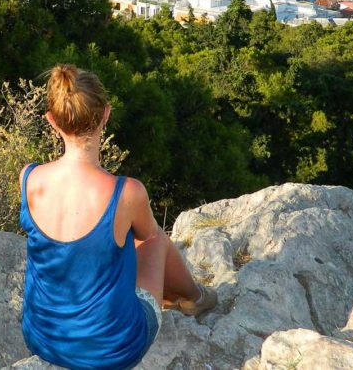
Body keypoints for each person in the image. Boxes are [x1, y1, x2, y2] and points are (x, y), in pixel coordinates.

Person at [20, 64, 217, 369]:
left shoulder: (29, 179)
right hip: (112, 351)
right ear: (106, 114)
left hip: (42, 338)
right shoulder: (125, 193)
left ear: (51, 122)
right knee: (154, 239)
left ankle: (174, 298)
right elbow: (147, 239)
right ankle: (195, 299)